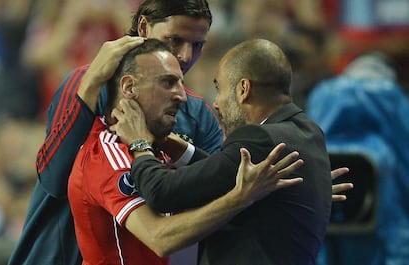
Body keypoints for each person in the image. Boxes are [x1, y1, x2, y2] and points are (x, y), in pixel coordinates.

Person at [8, 1, 222, 264]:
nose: (186, 55)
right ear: (144, 27)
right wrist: (92, 82)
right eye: (174, 40)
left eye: (197, 45)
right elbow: (53, 180)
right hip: (60, 254)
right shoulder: (87, 82)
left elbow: (216, 196)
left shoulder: (199, 114)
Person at [68, 38, 304, 265]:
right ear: (129, 87)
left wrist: (297, 187)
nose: (181, 96)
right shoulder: (108, 153)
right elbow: (160, 238)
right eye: (168, 83)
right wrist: (241, 198)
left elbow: (215, 180)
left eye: (181, 84)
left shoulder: (154, 149)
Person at [307, 51, 409, 265]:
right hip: (382, 221)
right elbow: (404, 159)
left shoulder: (323, 95)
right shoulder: (391, 97)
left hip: (326, 217)